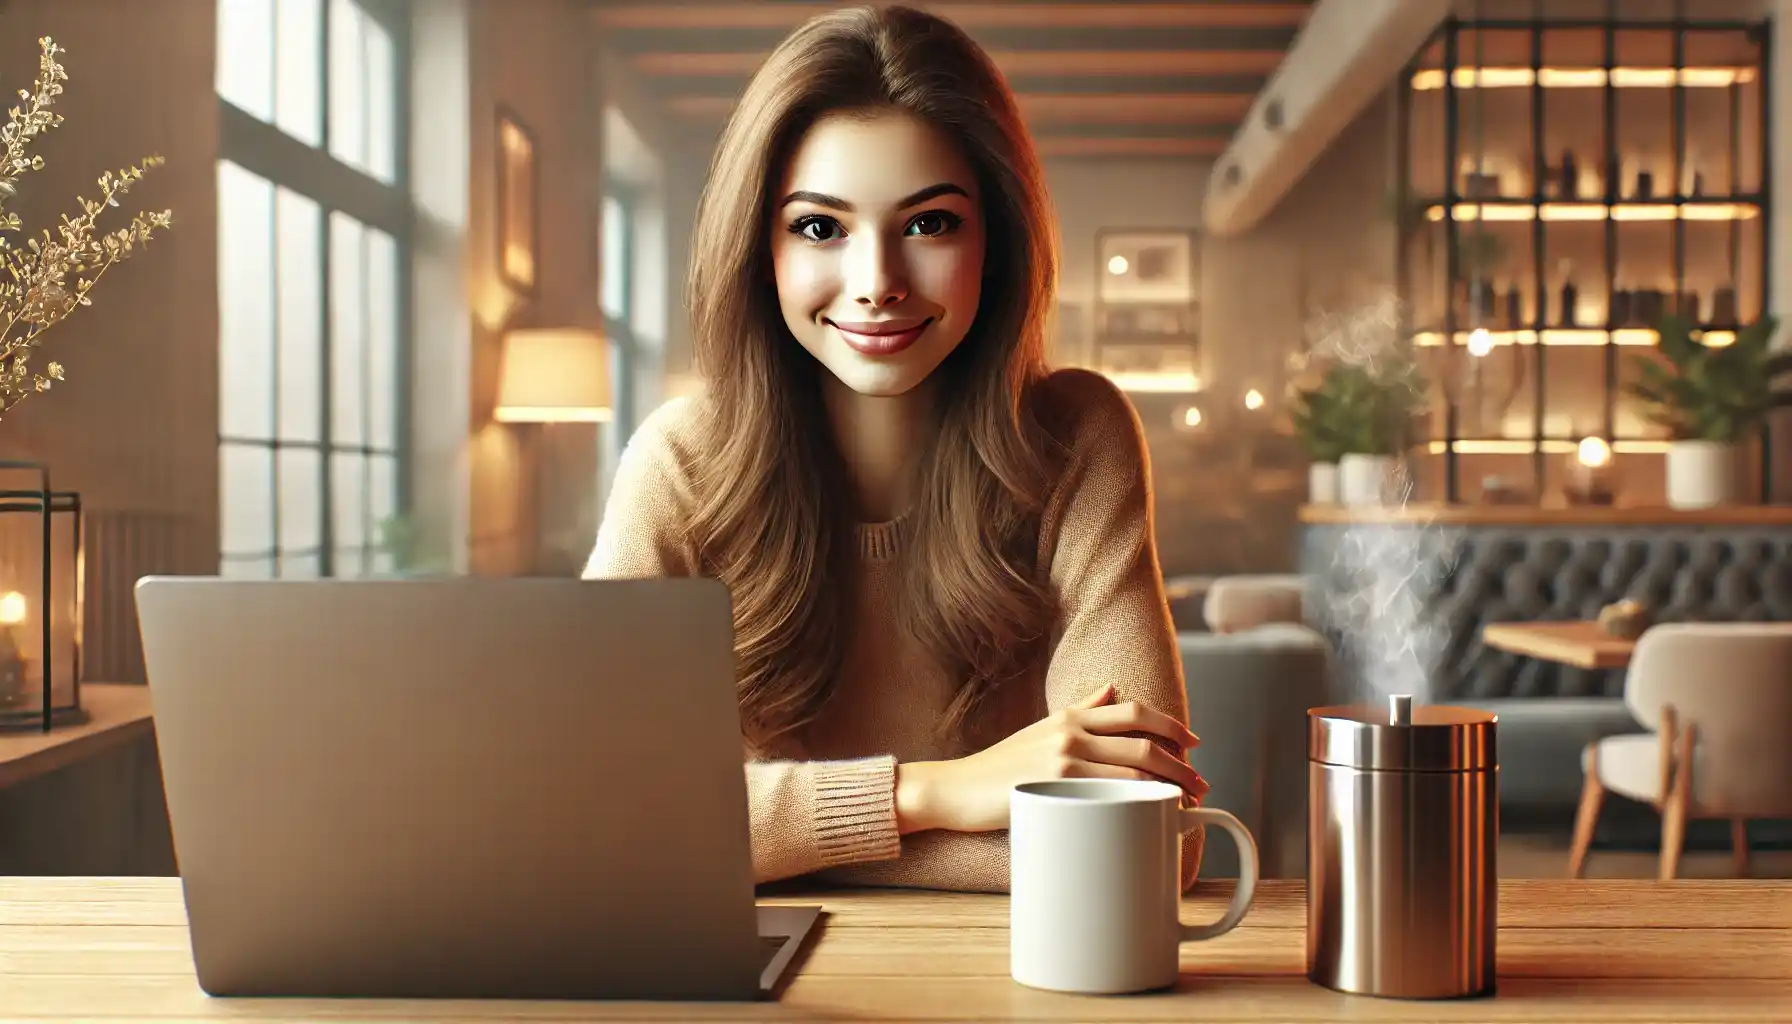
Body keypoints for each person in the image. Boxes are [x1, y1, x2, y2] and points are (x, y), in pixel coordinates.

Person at [584, 4, 1208, 894]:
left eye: (929, 224)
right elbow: (590, 816)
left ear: (995, 243)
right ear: (760, 251)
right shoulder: (681, 460)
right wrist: (937, 794)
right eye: (819, 227)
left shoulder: (1075, 436)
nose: (876, 284)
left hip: (1017, 977)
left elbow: (1151, 846)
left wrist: (757, 837)